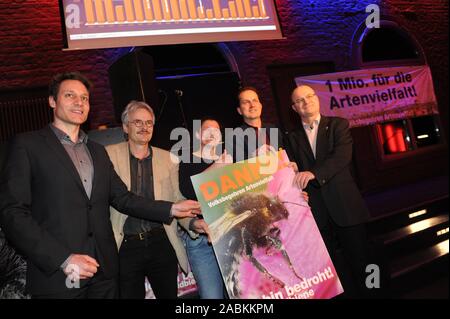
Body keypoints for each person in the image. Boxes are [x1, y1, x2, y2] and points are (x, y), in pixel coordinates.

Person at [0, 72, 200, 299]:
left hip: (103, 271)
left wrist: (171, 209)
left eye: (84, 98)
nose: (79, 102)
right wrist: (62, 258)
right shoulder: (28, 145)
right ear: (52, 101)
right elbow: (12, 213)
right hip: (61, 271)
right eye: (70, 95)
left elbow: (123, 198)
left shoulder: (97, 151)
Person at [106, 101, 200, 299]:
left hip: (161, 243)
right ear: (125, 126)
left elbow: (176, 200)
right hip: (125, 246)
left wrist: (193, 222)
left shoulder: (168, 158)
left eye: (149, 123)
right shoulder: (107, 155)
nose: (144, 127)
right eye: (138, 122)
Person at [287, 84, 372, 298]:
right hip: (316, 213)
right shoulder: (292, 137)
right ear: (294, 108)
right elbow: (292, 169)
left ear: (317, 98)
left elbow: (342, 156)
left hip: (346, 207)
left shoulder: (338, 125)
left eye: (310, 96)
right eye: (300, 100)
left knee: (364, 263)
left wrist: (313, 173)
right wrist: (291, 173)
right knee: (332, 269)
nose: (306, 101)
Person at [178, 117, 231, 299]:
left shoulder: (229, 159)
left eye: (216, 131)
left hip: (231, 236)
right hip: (202, 241)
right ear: (199, 134)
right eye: (207, 130)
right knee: (211, 296)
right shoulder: (187, 159)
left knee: (239, 294)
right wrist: (218, 167)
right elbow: (188, 190)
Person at [228, 86, 285, 162]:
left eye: (255, 100)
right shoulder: (234, 136)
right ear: (239, 111)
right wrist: (254, 157)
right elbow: (237, 168)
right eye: (246, 102)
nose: (252, 105)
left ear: (260, 106)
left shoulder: (274, 129)